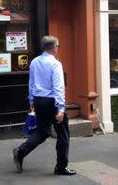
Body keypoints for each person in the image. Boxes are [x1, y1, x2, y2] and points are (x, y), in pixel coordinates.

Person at [13, 36, 76, 176]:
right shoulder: (55, 64)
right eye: (58, 46)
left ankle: (21, 151)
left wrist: (31, 101)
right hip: (52, 102)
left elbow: (31, 83)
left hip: (38, 100)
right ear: (55, 47)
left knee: (42, 131)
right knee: (63, 135)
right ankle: (61, 167)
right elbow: (58, 87)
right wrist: (61, 108)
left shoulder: (34, 62)